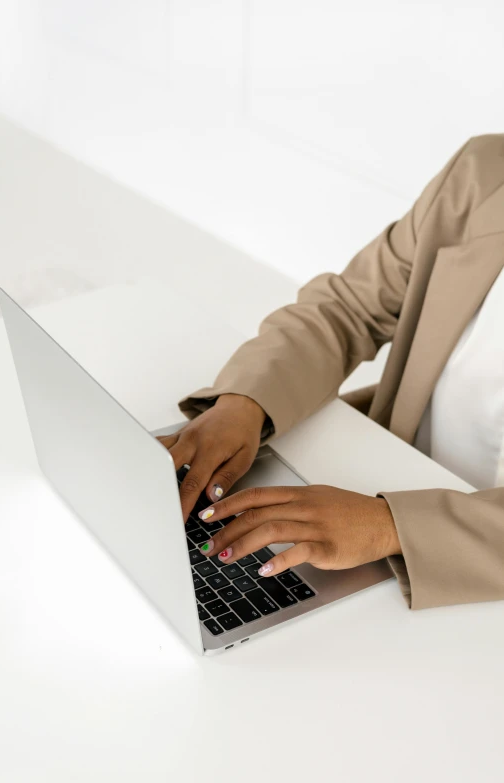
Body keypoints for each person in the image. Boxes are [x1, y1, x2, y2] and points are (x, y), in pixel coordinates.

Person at [157, 134, 504, 611]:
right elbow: (348, 308)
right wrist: (245, 404)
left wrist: (389, 525)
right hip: (384, 483)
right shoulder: (485, 173)